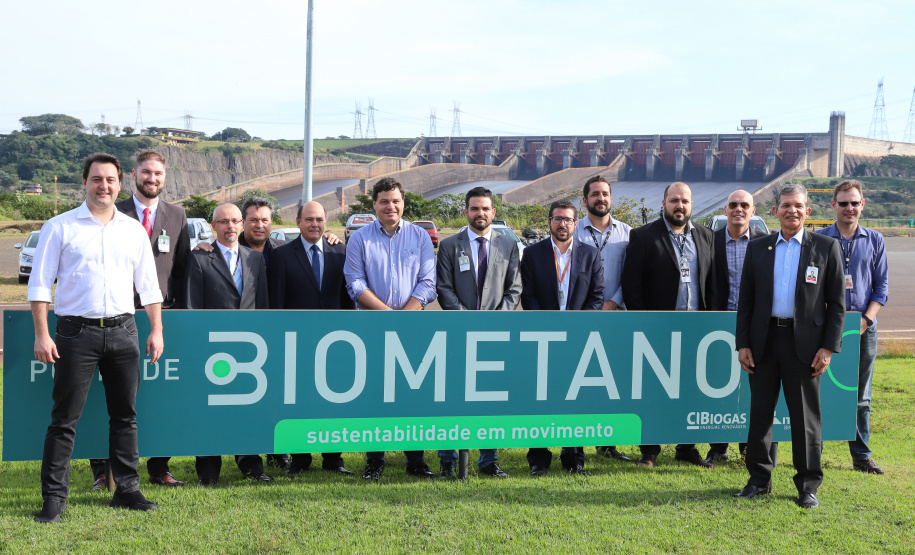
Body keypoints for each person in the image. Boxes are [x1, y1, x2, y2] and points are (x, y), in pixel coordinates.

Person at [30, 152, 164, 523]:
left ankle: (127, 490)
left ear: (120, 183)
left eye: (110, 180)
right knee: (63, 421)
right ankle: (54, 499)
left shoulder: (133, 230)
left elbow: (149, 287)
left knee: (125, 417)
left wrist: (156, 330)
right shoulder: (59, 226)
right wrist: (42, 334)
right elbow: (40, 286)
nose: (103, 186)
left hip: (124, 331)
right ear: (84, 183)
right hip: (75, 333)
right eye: (96, 179)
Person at [734, 183, 845, 509]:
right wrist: (743, 343)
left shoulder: (825, 248)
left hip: (806, 347)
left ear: (807, 211)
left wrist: (828, 348)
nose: (791, 211)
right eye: (785, 206)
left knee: (805, 419)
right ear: (775, 211)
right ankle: (758, 480)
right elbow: (747, 301)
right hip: (764, 342)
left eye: (798, 206)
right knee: (760, 416)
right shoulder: (759, 248)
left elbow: (837, 305)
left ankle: (807, 485)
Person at [89, 150, 190, 490]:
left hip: (159, 317)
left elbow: (181, 270)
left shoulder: (177, 215)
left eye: (158, 173)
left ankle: (158, 467)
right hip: (113, 317)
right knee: (107, 397)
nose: (152, 178)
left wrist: (175, 317)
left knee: (159, 398)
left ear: (164, 176)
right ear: (134, 174)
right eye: (146, 172)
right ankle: (103, 472)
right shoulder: (112, 211)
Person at [344, 177, 437, 481]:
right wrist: (388, 317)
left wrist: (404, 319)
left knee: (413, 394)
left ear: (403, 203)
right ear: (374, 205)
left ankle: (416, 459)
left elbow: (427, 283)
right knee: (375, 396)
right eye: (384, 201)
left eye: (395, 200)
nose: (390, 206)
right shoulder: (359, 239)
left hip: (412, 329)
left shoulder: (420, 237)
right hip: (372, 328)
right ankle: (375, 460)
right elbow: (355, 284)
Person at [621, 182, 716, 469]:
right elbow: (631, 285)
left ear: (691, 204)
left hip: (696, 330)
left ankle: (687, 447)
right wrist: (643, 323)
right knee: (653, 391)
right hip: (657, 330)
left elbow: (711, 282)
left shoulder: (706, 235)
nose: (680, 206)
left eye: (685, 201)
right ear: (663, 203)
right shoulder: (643, 236)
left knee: (692, 389)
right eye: (674, 200)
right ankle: (649, 451)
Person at [435, 187, 521, 478]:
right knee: (451, 397)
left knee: (489, 398)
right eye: (474, 208)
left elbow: (514, 288)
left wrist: (497, 320)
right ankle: (447, 458)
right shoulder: (449, 246)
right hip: (457, 334)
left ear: (494, 213)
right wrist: (464, 321)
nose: (480, 213)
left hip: (493, 335)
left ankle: (488, 460)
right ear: (466, 212)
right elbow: (444, 288)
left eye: (485, 209)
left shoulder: (508, 245)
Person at [185, 203, 271, 485]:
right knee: (209, 412)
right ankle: (208, 473)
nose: (230, 226)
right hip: (212, 349)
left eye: (235, 221)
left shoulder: (254, 259)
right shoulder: (198, 258)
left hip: (249, 351)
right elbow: (192, 308)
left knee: (248, 410)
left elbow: (263, 306)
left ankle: (252, 467)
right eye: (224, 221)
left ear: (242, 224)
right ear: (213, 226)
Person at [269, 201, 355, 476]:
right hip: (297, 341)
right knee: (299, 400)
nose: (314, 224)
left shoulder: (340, 251)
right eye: (308, 219)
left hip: (335, 341)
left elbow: (347, 299)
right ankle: (300, 458)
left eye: (319, 219)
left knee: (334, 401)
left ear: (325, 221)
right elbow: (277, 302)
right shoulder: (282, 255)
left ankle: (333, 459)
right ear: (297, 221)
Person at [520, 199, 604, 476]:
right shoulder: (533, 254)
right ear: (549, 223)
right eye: (557, 219)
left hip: (578, 339)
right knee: (539, 396)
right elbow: (528, 295)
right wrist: (546, 324)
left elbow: (597, 295)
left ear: (575, 223)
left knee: (575, 398)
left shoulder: (590, 254)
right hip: (542, 338)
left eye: (568, 219)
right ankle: (538, 457)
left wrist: (578, 326)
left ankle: (573, 456)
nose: (562, 224)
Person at [817, 179, 888, 474]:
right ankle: (812, 452)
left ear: (862, 205)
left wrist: (866, 319)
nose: (849, 208)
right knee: (817, 389)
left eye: (854, 203)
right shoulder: (819, 240)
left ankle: (861, 455)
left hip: (862, 327)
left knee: (860, 394)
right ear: (833, 205)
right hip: (824, 327)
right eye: (843, 203)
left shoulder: (875, 240)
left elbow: (881, 287)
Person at [705, 190, 774, 465]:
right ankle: (717, 448)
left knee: (752, 390)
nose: (738, 209)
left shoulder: (766, 244)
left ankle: (749, 448)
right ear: (725, 210)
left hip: (755, 326)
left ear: (753, 211)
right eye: (733, 205)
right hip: (718, 323)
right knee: (720, 387)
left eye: (744, 205)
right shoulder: (710, 241)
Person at [573, 176, 633, 463]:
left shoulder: (628, 234)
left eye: (605, 194)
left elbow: (631, 275)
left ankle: (608, 442)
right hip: (581, 317)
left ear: (612, 198)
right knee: (579, 381)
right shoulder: (574, 232)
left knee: (612, 381)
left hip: (615, 316)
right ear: (584, 200)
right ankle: (576, 443)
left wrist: (613, 302)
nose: (601, 198)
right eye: (595, 194)